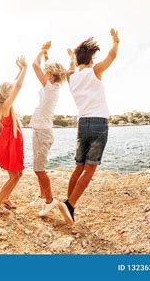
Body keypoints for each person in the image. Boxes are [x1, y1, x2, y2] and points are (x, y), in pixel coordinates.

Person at [58, 29, 120, 225]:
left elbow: (70, 68)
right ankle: (70, 205)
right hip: (98, 123)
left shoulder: (71, 77)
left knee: (78, 167)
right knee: (90, 169)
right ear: (91, 60)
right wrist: (116, 41)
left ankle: (69, 207)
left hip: (82, 124)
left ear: (77, 62)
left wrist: (71, 59)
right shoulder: (95, 71)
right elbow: (112, 56)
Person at [29, 41, 67, 217]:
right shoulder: (53, 87)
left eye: (48, 72)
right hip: (40, 132)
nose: (45, 74)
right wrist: (46, 55)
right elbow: (44, 66)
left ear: (51, 75)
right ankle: (43, 194)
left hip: (43, 133)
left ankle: (50, 201)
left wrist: (41, 50)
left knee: (39, 169)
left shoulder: (50, 89)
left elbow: (34, 65)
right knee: (38, 167)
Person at [0, 56, 28, 215]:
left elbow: (15, 83)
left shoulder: (7, 105)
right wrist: (25, 68)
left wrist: (19, 70)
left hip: (12, 145)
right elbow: (17, 86)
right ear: (6, 94)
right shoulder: (4, 106)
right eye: (10, 90)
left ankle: (5, 198)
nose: (14, 91)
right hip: (7, 147)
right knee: (14, 176)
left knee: (18, 174)